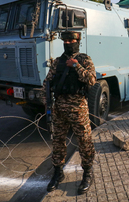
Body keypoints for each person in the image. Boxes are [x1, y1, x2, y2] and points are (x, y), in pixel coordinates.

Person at [41, 31, 96, 195]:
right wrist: (46, 103)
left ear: (78, 41)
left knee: (84, 141)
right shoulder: (57, 62)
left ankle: (87, 172)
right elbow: (47, 82)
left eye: (72, 40)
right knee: (57, 141)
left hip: (78, 108)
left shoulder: (84, 59)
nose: (68, 43)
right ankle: (58, 172)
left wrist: (76, 66)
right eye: (65, 40)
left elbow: (92, 80)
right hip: (59, 109)